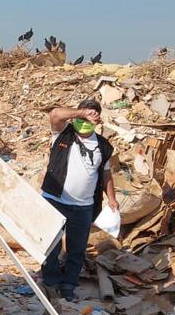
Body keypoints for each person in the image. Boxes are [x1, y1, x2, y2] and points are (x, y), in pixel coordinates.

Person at [39, 98, 118, 301]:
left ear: (98, 121)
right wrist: (81, 113)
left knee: (77, 249)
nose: (85, 122)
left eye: (91, 116)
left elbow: (107, 174)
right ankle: (50, 283)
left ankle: (68, 286)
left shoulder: (103, 146)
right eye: (83, 116)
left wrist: (112, 198)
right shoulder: (63, 133)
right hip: (55, 199)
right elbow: (55, 114)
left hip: (83, 206)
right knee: (51, 246)